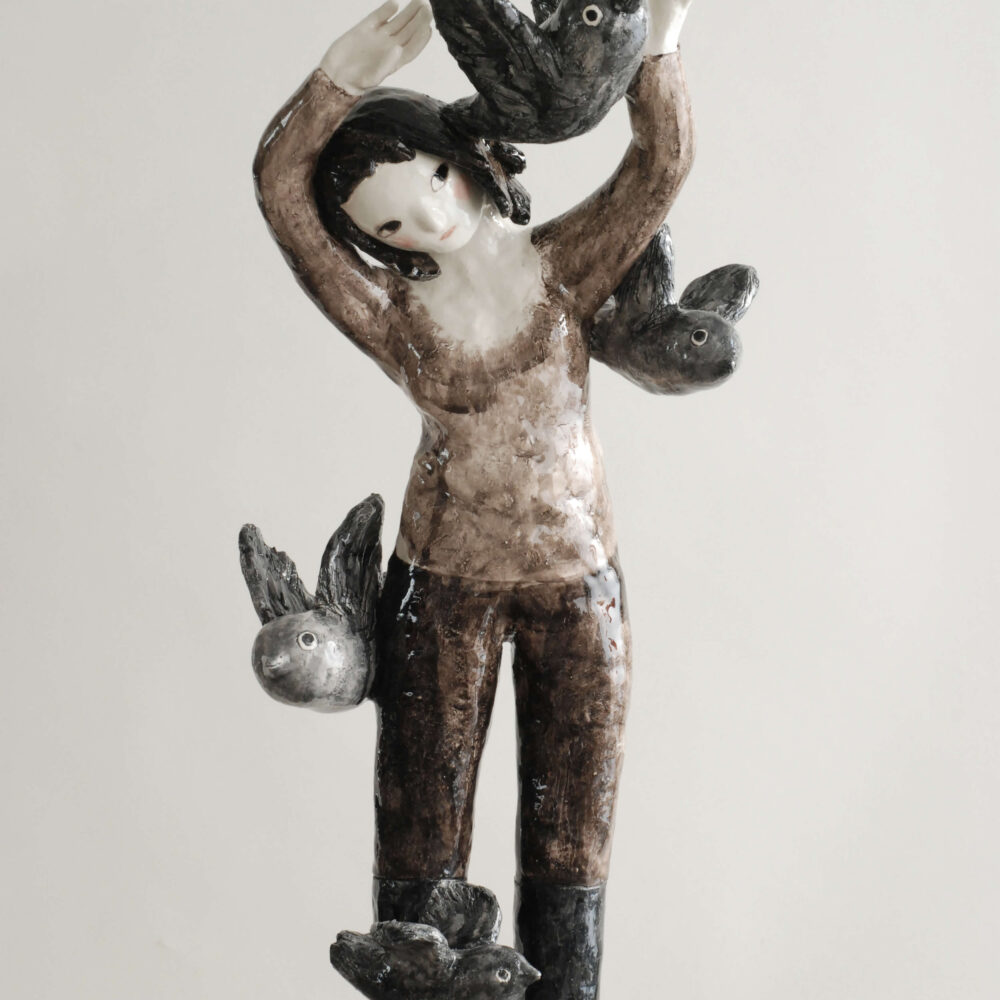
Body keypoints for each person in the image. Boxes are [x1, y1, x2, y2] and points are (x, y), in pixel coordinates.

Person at [253, 2, 696, 997]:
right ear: (375, 245)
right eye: (389, 225)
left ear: (465, 157)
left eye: (432, 184)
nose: (427, 221)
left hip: (577, 581)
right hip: (441, 583)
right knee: (421, 808)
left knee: (572, 825)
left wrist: (658, 45)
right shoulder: (392, 314)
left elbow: (658, 170)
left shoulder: (564, 269)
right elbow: (283, 195)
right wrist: (335, 78)